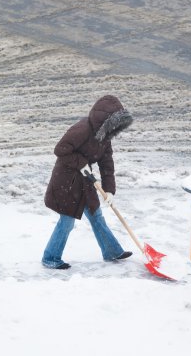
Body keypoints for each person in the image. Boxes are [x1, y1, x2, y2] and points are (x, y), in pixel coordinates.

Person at [42, 95, 133, 269]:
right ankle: (50, 257)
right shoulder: (83, 129)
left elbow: (107, 165)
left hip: (85, 180)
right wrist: (81, 163)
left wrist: (110, 191)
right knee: (67, 222)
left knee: (96, 216)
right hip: (67, 180)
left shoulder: (105, 136)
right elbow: (60, 149)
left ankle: (112, 252)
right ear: (105, 120)